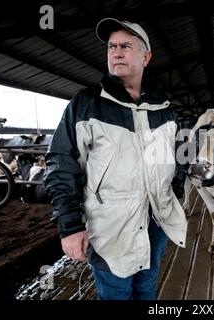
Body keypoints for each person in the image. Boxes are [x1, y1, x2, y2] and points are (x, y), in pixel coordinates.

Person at [43, 18, 188, 300]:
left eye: (125, 46)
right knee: (115, 294)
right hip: (110, 225)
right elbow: (61, 164)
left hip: (156, 220)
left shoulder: (164, 108)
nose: (116, 52)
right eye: (112, 46)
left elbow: (176, 159)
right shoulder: (86, 104)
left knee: (146, 288)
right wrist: (70, 226)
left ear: (145, 57)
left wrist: (175, 193)